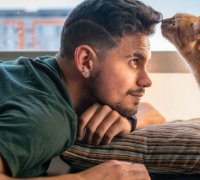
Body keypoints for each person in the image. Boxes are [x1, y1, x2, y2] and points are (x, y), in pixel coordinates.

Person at [0, 0, 163, 179]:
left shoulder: (39, 73)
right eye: (134, 62)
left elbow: (152, 112)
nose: (147, 81)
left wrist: (129, 121)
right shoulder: (46, 119)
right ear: (86, 61)